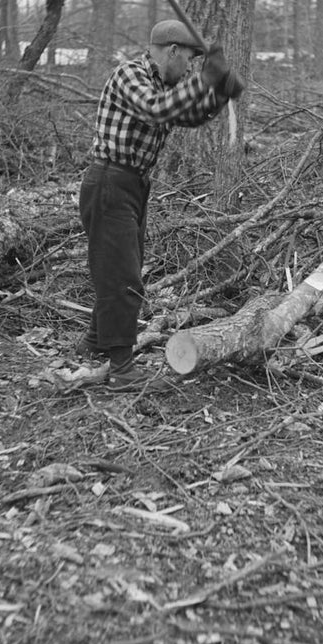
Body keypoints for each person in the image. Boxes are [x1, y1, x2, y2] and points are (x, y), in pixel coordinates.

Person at [78, 19, 241, 390]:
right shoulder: (129, 76)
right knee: (123, 276)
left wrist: (218, 92)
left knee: (121, 266)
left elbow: (189, 114)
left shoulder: (164, 87)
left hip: (133, 186)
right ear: (173, 51)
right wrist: (206, 78)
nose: (189, 69)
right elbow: (155, 109)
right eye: (188, 61)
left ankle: (93, 342)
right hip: (109, 182)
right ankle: (121, 370)